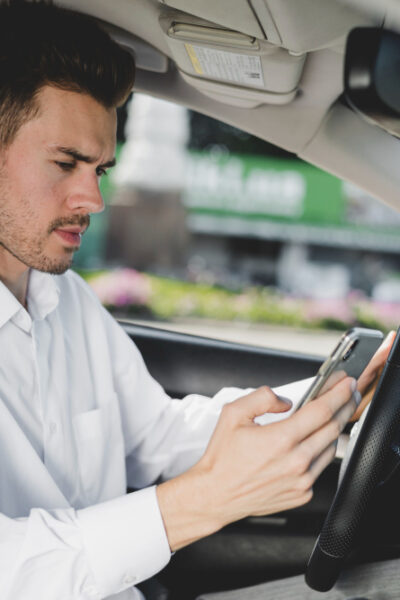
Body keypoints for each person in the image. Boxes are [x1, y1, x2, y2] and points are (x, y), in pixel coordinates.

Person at [0, 1, 393, 599]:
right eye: (66, 162)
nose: (93, 198)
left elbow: (158, 436)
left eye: (101, 169)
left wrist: (338, 393)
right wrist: (205, 500)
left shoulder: (65, 300)